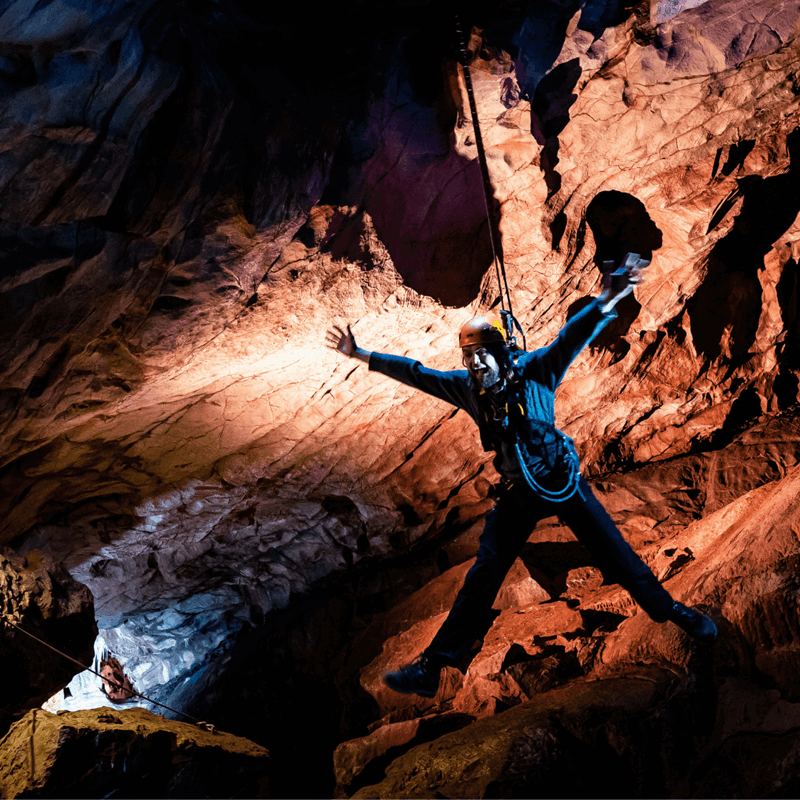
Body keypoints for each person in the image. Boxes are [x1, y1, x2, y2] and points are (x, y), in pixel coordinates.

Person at [326, 254, 717, 699]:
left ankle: (674, 613)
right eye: (468, 357)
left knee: (616, 555)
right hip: (518, 493)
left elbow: (571, 339)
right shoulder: (468, 388)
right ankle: (435, 665)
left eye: (481, 356)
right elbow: (419, 375)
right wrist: (361, 354)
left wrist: (607, 297)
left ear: (497, 352)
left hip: (562, 481)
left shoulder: (535, 370)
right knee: (486, 570)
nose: (475, 365)